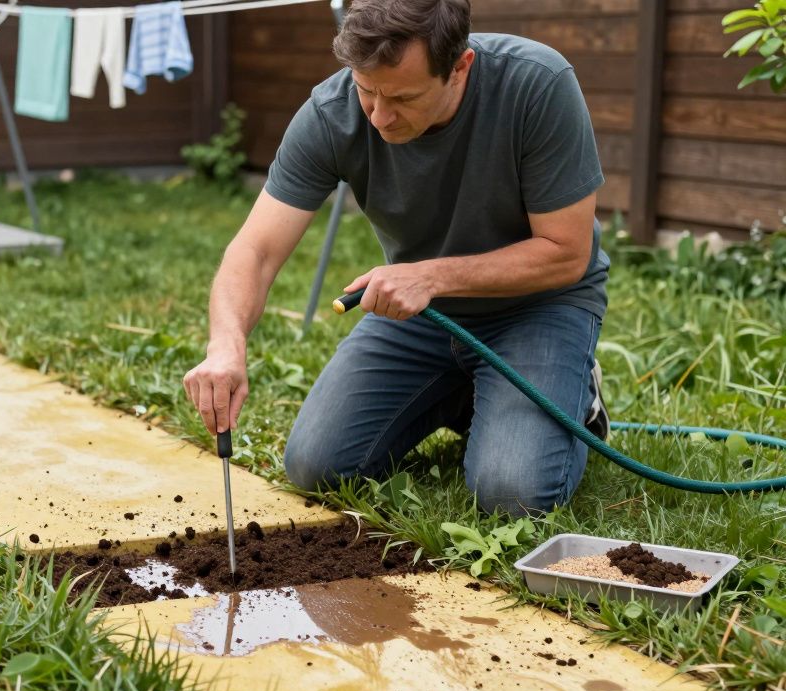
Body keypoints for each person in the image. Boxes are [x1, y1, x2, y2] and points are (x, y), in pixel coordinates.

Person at [182, 0, 611, 516]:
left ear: (460, 67)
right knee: (317, 468)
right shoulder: (332, 112)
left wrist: (430, 275)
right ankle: (477, 394)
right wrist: (226, 345)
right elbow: (255, 250)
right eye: (367, 90)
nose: (380, 117)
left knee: (510, 496)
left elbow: (566, 255)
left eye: (403, 97)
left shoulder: (536, 86)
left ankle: (576, 395)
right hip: (420, 315)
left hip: (536, 307)